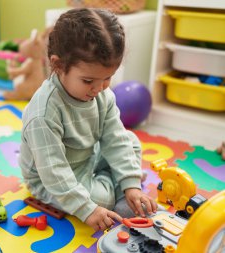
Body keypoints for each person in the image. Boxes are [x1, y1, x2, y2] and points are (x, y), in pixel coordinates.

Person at [19, 8, 157, 231]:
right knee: (100, 201)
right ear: (58, 65)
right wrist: (87, 210)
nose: (99, 88)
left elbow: (115, 138)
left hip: (87, 158)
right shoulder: (43, 113)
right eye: (88, 80)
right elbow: (54, 172)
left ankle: (120, 185)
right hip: (51, 180)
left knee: (130, 140)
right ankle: (112, 187)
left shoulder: (102, 94)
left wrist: (131, 184)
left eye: (107, 78)